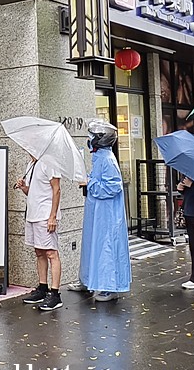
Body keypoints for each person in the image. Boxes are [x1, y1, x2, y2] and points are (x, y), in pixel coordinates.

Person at [77, 120, 131, 301]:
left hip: (107, 214)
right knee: (93, 245)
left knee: (106, 247)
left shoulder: (107, 159)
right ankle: (90, 280)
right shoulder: (100, 156)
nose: (89, 139)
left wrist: (89, 182)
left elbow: (112, 187)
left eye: (92, 136)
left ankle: (110, 287)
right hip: (98, 211)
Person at [16, 150, 64, 311]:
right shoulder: (31, 164)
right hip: (32, 214)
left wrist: (53, 216)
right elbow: (33, 192)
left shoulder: (49, 162)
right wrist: (24, 188)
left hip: (45, 215)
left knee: (51, 252)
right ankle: (42, 288)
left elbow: (56, 189)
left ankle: (55, 294)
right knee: (39, 251)